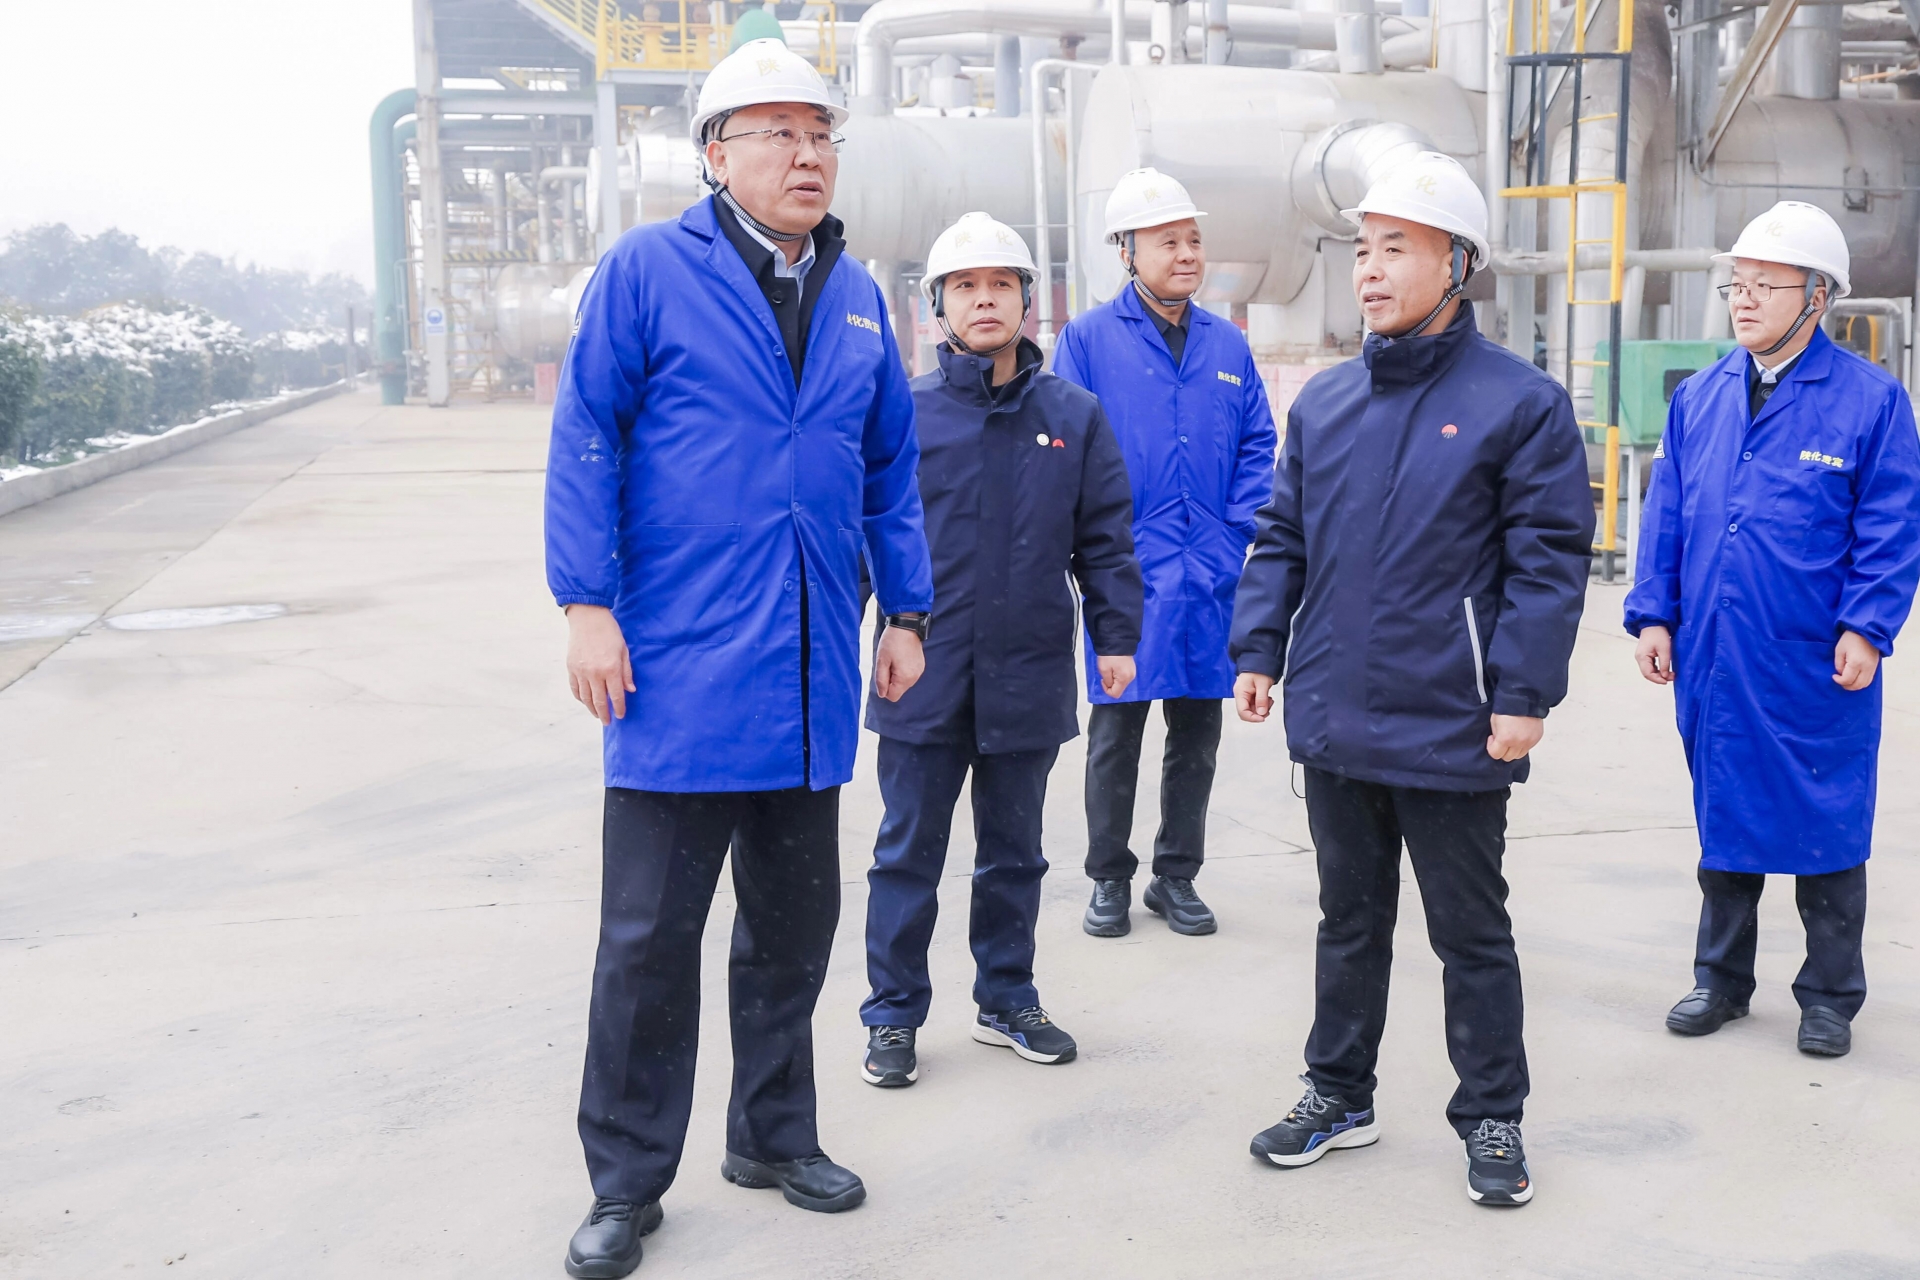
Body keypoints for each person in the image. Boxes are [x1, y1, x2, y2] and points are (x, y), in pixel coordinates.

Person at [544, 39, 933, 1279]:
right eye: (776, 133)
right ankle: (624, 1180)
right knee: (649, 942)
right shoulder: (649, 272)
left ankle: (773, 1134)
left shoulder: (860, 295)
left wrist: (908, 611)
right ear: (715, 154)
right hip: (675, 670)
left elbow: (889, 467)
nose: (807, 155)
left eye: (820, 134)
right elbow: (586, 434)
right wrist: (585, 602)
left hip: (809, 672)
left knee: (792, 928)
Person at [1228, 153, 1593, 1206]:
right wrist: (1259, 649)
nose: (1371, 270)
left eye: (1397, 248)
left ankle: (1492, 1115)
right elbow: (1283, 536)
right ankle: (1339, 1092)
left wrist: (1522, 693)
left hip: (1454, 718)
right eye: (1363, 250)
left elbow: (1548, 562)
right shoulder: (1328, 402)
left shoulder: (1519, 404)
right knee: (1347, 921)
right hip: (1337, 711)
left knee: (1469, 932)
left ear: (1457, 264)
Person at [1625, 201, 1920, 1059]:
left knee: (1827, 825)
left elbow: (1891, 526)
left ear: (1817, 297)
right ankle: (1720, 981)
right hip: (1716, 650)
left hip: (1815, 657)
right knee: (1726, 816)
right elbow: (1668, 513)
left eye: (1765, 285)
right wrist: (1654, 612)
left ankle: (1828, 997)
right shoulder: (1702, 396)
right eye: (1737, 284)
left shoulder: (1871, 401)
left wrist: (1867, 626)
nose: (1743, 300)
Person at [858, 213, 1143, 1087]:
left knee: (1016, 853)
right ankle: (893, 1014)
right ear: (938, 306)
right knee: (907, 854)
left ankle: (1007, 997)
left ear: (1027, 301)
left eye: (1001, 285)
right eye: (965, 287)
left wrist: (1117, 638)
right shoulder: (903, 413)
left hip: (1028, 671)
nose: (984, 300)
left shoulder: (1073, 416)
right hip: (923, 671)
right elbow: (862, 538)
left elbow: (1106, 538)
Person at [1052, 167, 1278, 940]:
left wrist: (1232, 532)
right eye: (1167, 242)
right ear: (1127, 251)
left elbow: (1258, 443)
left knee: (1197, 733)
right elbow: (1067, 448)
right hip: (1125, 571)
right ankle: (1108, 877)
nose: (1186, 255)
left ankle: (1175, 875)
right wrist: (1095, 548)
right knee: (1116, 731)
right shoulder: (1087, 341)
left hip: (1208, 572)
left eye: (1193, 240)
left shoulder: (1226, 343)